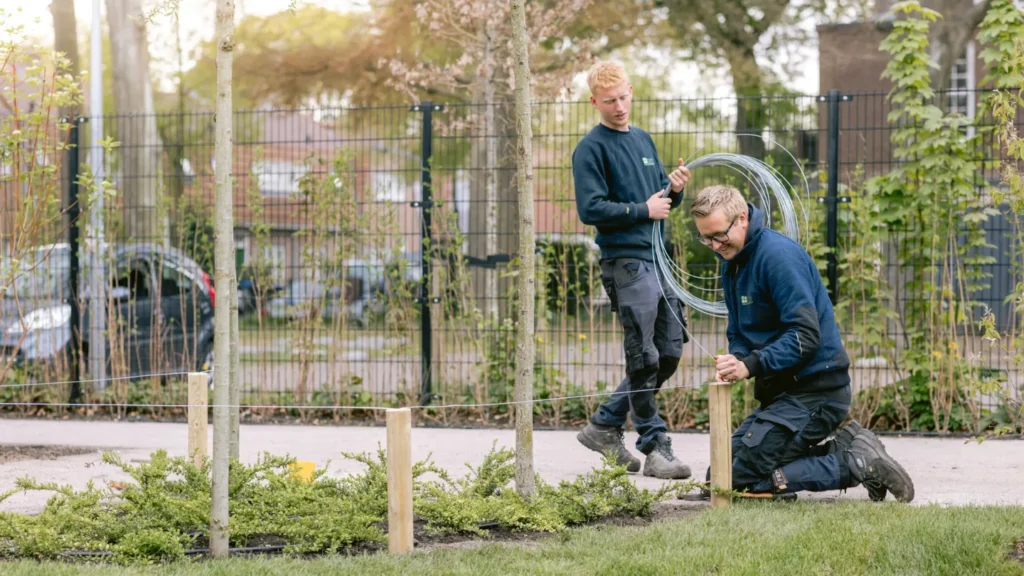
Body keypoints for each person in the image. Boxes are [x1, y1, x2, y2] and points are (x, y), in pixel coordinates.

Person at [690, 184, 914, 501]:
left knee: (737, 480)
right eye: (706, 238)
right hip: (783, 395)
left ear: (741, 218)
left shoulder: (778, 257)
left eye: (718, 235)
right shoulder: (733, 261)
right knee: (719, 474)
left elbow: (805, 335)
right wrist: (737, 358)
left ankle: (854, 463)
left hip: (816, 392)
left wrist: (752, 365)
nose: (714, 245)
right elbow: (738, 330)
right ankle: (848, 447)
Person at [571, 61, 693, 480]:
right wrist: (643, 209)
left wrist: (675, 189)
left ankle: (604, 425)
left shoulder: (642, 139)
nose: (619, 106)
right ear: (594, 102)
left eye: (623, 97)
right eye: (610, 101)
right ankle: (655, 447)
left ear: (631, 90)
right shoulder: (590, 148)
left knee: (670, 352)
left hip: (659, 259)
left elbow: (661, 201)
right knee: (644, 356)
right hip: (626, 263)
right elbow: (591, 209)